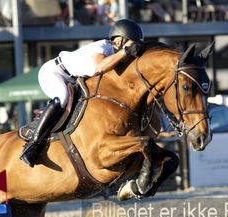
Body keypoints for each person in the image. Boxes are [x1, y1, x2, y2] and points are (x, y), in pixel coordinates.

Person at [20, 19, 145, 167]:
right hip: (54, 72)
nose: (132, 48)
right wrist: (125, 52)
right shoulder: (103, 46)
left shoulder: (117, 56)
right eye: (131, 43)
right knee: (62, 97)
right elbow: (99, 67)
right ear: (120, 41)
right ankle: (32, 145)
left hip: (73, 80)